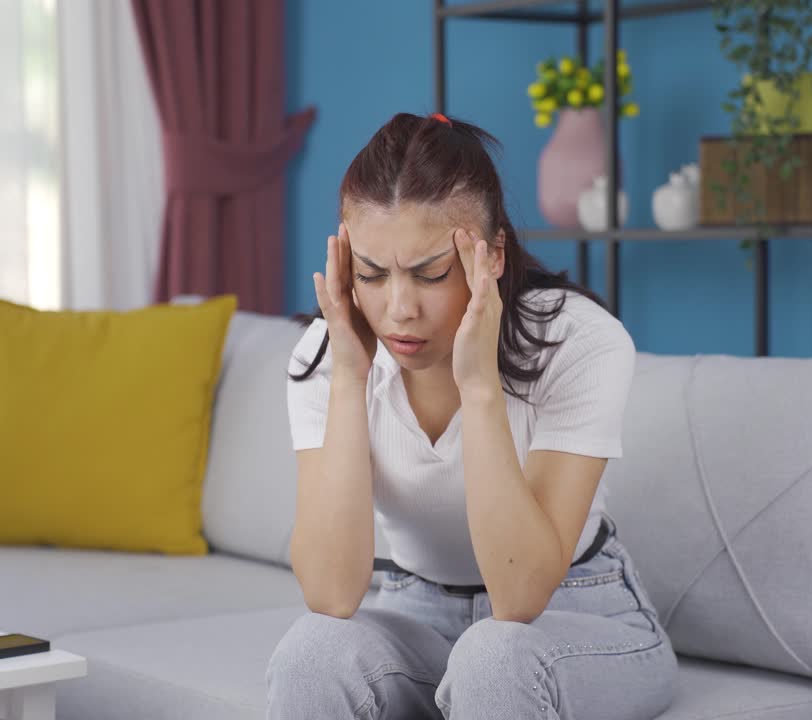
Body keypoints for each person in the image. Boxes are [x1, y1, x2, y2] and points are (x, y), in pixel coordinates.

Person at [267, 111, 677, 720]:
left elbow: (519, 597)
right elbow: (330, 593)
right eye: (372, 275)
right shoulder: (327, 359)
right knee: (312, 652)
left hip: (576, 617)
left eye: (431, 274)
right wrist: (352, 380)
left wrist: (480, 386)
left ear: (493, 256)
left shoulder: (579, 341)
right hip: (419, 614)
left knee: (494, 655)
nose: (399, 308)